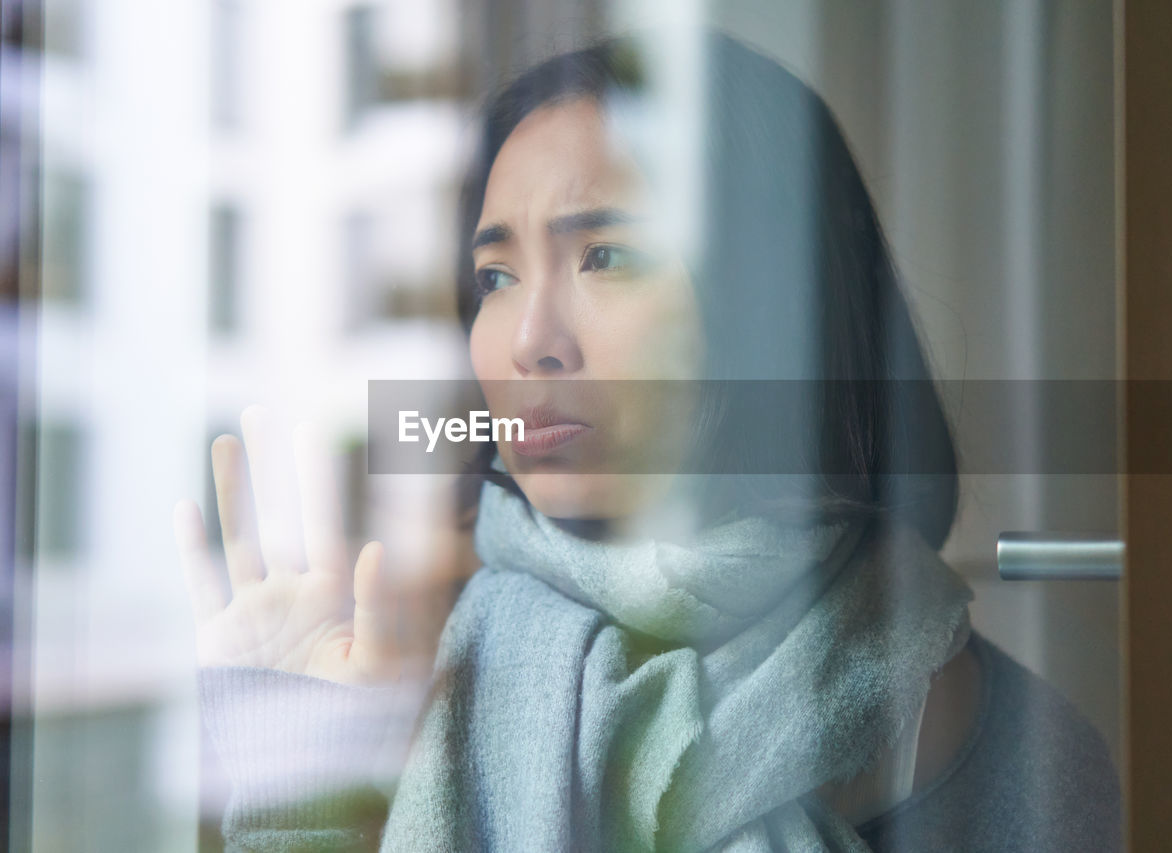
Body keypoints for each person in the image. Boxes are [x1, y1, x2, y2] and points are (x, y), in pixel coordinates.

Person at [173, 31, 1121, 852]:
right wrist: (296, 794)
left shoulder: (1029, 759)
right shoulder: (417, 678)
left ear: (775, 298)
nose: (532, 338)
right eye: (495, 277)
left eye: (607, 256)